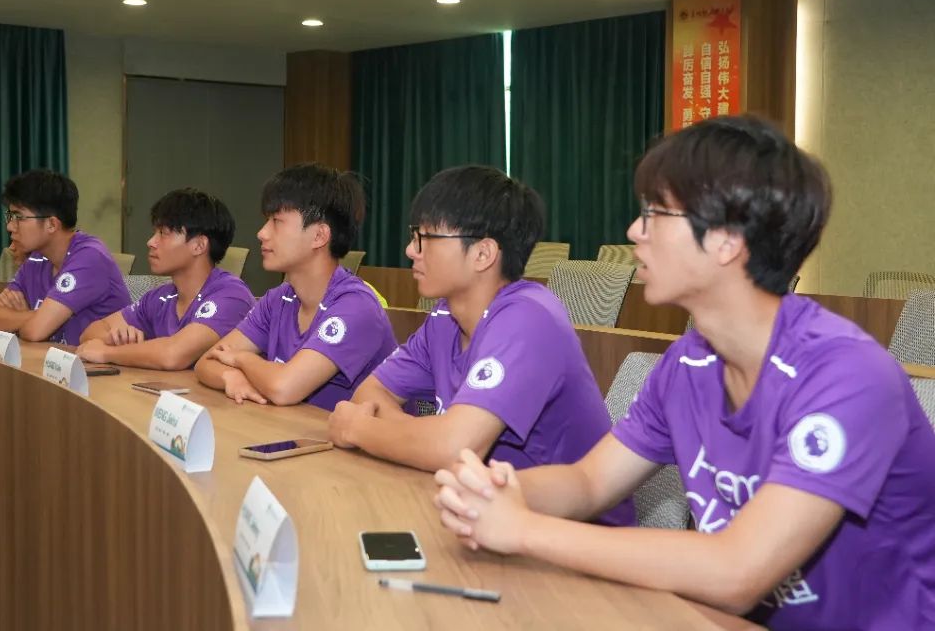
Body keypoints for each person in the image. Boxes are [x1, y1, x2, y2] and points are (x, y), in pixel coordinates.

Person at [433, 116, 935, 630]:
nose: (634, 231)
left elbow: (738, 572)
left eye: (655, 213)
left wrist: (523, 530)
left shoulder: (848, 376)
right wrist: (500, 489)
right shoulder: (688, 362)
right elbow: (589, 481)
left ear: (726, 240)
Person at [326, 166, 634, 525]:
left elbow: (453, 447)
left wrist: (360, 429)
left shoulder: (529, 318)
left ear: (483, 253)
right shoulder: (445, 317)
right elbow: (370, 394)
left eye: (425, 237)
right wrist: (425, 439)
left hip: (570, 536)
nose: (411, 250)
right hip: (482, 513)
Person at [195, 163, 396, 410]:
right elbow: (206, 362)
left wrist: (242, 359)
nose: (262, 233)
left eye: (277, 221)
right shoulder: (278, 299)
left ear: (319, 236)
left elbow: (284, 388)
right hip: (288, 428)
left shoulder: (356, 305)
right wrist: (231, 376)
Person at [76, 188, 253, 370]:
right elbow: (89, 333)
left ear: (199, 245)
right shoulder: (159, 297)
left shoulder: (232, 295)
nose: (151, 242)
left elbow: (173, 355)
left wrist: (107, 352)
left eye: (164, 233)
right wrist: (114, 337)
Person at [0, 169, 129, 345]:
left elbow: (34, 332)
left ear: (51, 224)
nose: (10, 226)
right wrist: (37, 316)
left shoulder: (90, 257)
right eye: (10, 216)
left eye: (19, 217)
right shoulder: (37, 258)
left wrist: (24, 319)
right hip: (53, 359)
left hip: (100, 361)